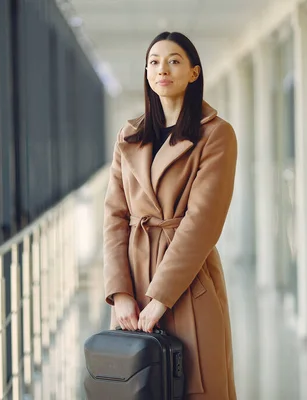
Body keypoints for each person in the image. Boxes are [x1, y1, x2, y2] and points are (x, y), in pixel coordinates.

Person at [102, 31, 238, 400]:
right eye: (155, 61)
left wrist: (161, 296)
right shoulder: (129, 136)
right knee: (136, 387)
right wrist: (121, 293)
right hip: (132, 282)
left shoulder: (217, 135)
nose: (163, 68)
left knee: (196, 386)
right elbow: (114, 216)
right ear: (146, 72)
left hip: (188, 284)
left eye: (174, 60)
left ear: (194, 73)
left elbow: (203, 222)